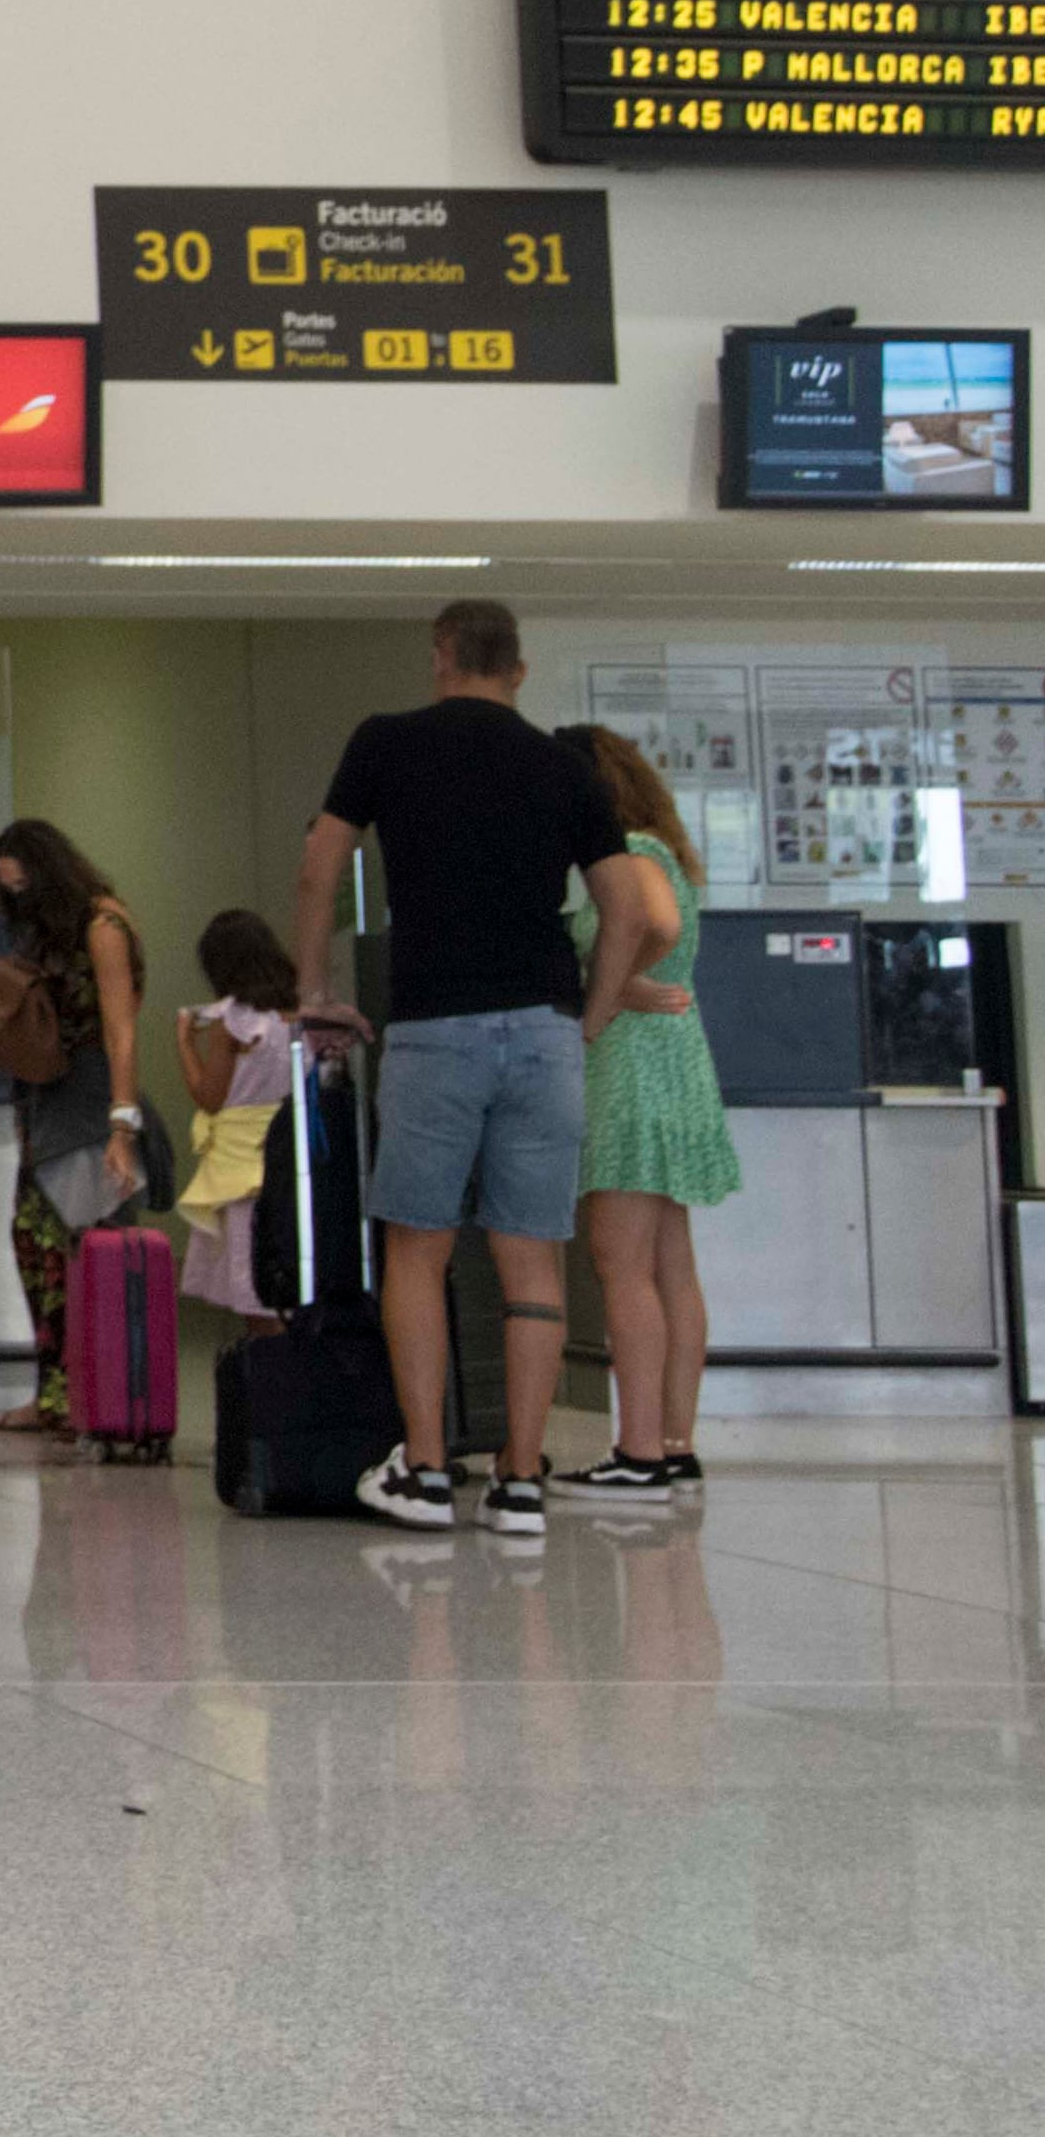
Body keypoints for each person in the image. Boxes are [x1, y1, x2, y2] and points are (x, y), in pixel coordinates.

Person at [288, 599, 658, 1539]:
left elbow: (319, 860)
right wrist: (595, 1010)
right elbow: (627, 905)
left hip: (436, 1028)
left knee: (419, 1246)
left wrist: (314, 986)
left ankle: (422, 1470)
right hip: (543, 1029)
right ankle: (522, 1480)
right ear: (520, 670)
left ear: (442, 656)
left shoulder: (388, 742)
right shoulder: (563, 765)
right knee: (532, 1254)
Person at [555, 723, 731, 1501]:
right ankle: (674, 1440)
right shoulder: (666, 848)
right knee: (671, 1268)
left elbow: (650, 925)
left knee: (619, 1264)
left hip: (630, 1067)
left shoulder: (629, 853)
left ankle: (636, 1448)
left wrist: (609, 988)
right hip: (678, 1062)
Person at [0, 818, 175, 1436]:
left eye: (24, 889)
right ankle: (58, 1395)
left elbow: (121, 1031)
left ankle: (99, 1395)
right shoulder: (56, 932)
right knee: (39, 1250)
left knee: (91, 1251)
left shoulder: (102, 925)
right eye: (7, 892)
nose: (17, 902)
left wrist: (123, 1127)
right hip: (48, 1106)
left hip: (92, 1104)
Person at [171, 910, 308, 1325]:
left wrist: (183, 1045)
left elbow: (210, 1098)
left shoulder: (232, 1023)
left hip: (240, 1170)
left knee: (253, 1291)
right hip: (291, 1161)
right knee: (292, 1279)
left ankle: (268, 1380)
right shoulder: (297, 1015)